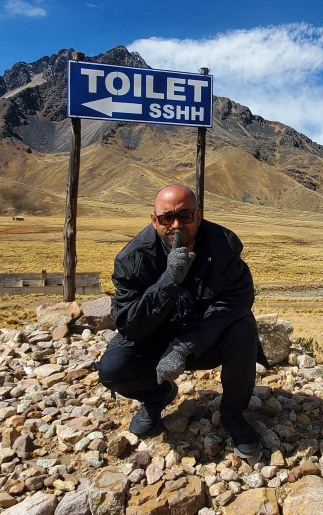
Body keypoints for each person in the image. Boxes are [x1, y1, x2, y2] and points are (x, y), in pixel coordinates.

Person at [96, 184, 264, 458]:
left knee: (243, 327)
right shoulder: (133, 258)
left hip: (203, 339)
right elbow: (129, 325)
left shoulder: (224, 244)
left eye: (185, 216)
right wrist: (168, 281)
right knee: (113, 368)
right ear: (154, 220)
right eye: (167, 218)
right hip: (154, 340)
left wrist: (185, 346)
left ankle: (233, 413)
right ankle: (155, 395)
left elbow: (237, 301)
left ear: (197, 216)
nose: (176, 224)